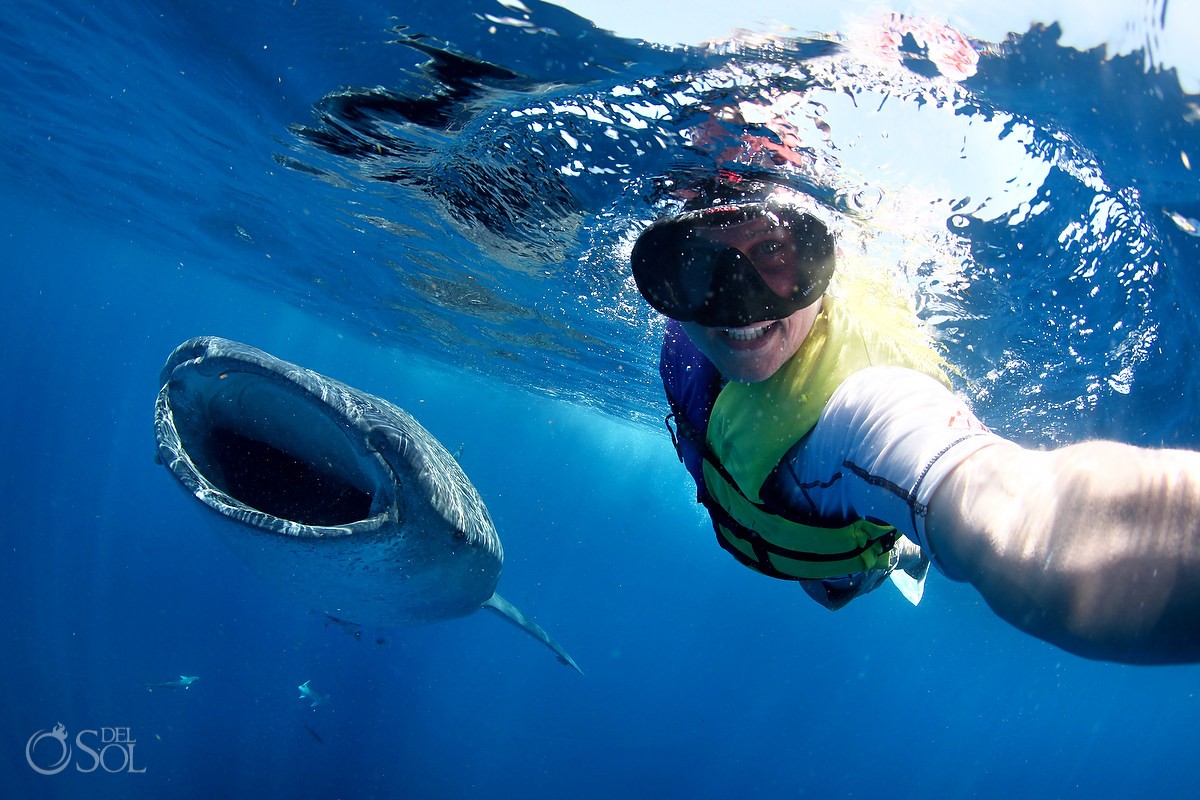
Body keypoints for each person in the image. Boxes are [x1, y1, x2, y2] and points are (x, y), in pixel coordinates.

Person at [631, 172, 1200, 665]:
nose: (736, 304)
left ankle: (901, 549)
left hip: (827, 550)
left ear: (814, 264)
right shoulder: (689, 324)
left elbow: (1019, 505)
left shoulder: (862, 408)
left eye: (773, 254)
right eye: (700, 264)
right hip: (752, 502)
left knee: (832, 591)